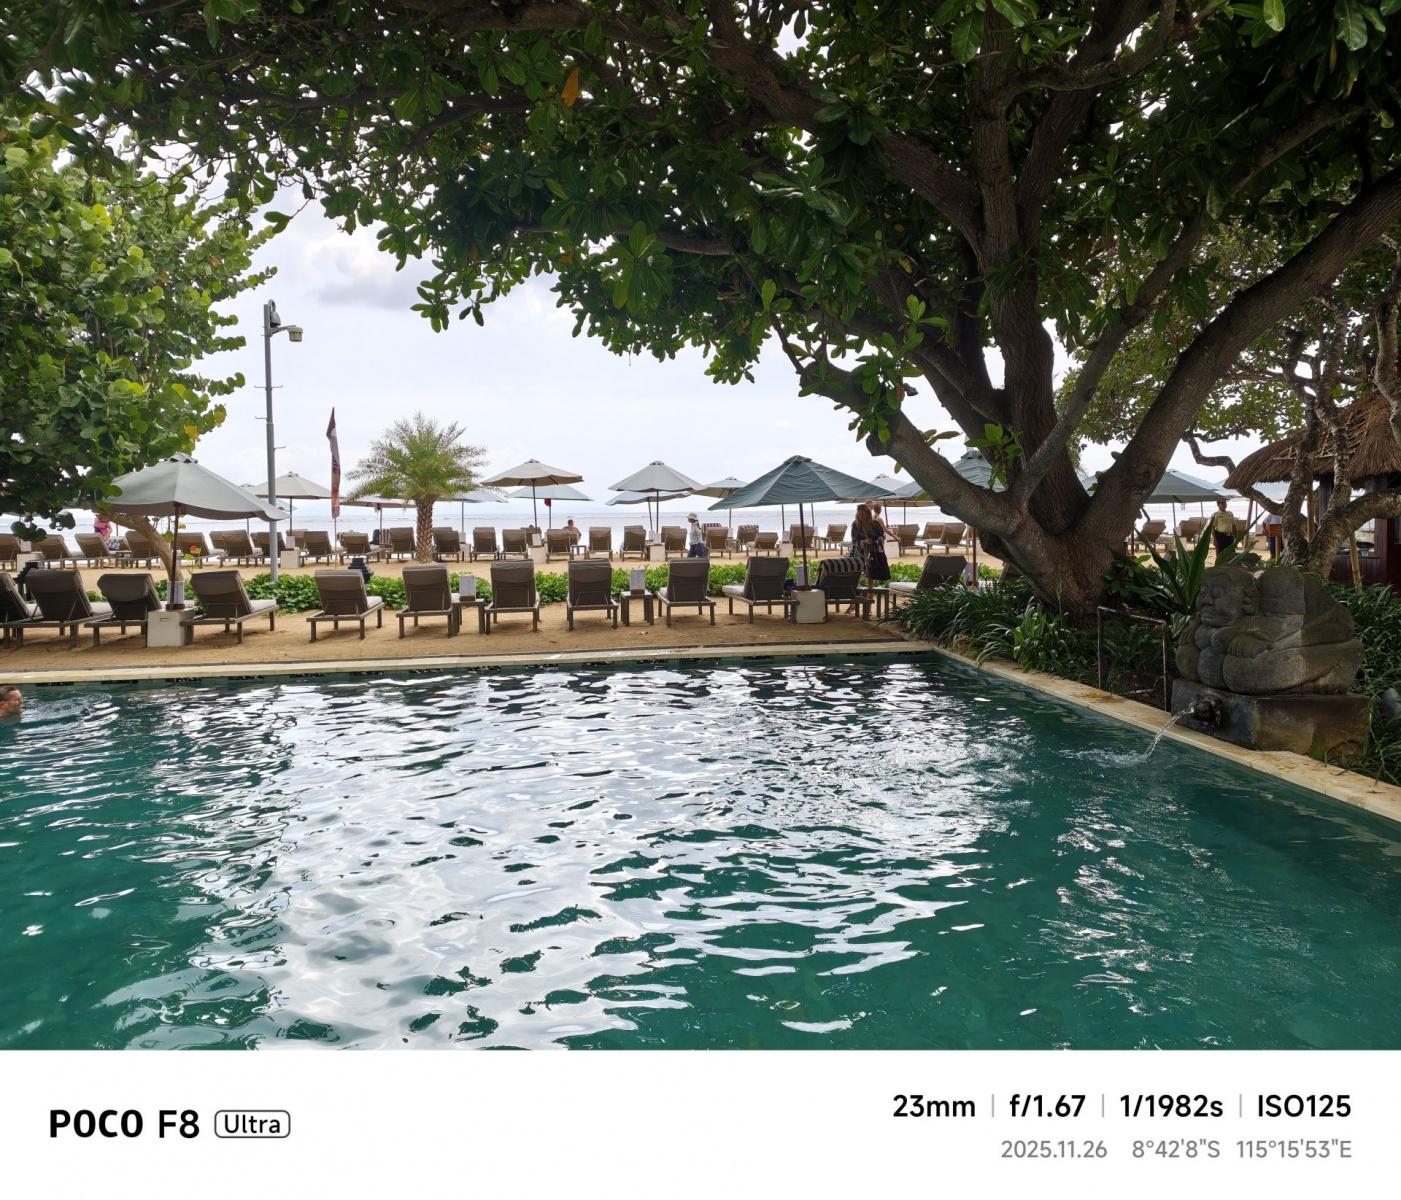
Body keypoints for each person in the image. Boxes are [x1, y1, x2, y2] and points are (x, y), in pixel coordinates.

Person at [849, 503, 890, 613]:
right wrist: (863, 541)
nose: (861, 516)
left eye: (863, 514)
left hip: (872, 554)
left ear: (868, 513)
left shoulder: (875, 524)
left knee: (870, 580)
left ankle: (869, 608)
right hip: (859, 554)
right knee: (856, 578)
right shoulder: (855, 525)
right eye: (859, 514)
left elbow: (882, 536)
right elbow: (854, 541)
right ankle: (853, 604)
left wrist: (877, 540)